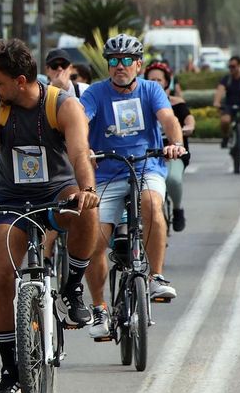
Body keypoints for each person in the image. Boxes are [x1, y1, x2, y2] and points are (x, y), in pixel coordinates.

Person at [0, 39, 101, 393]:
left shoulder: (62, 105)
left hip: (58, 193)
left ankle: (71, 289)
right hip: (10, 198)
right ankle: (10, 372)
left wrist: (86, 189)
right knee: (2, 274)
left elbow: (80, 152)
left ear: (21, 81)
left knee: (86, 211)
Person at [80, 35, 186, 338]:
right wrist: (82, 149)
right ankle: (99, 308)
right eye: (113, 60)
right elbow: (81, 123)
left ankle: (155, 277)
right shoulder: (95, 93)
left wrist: (174, 144)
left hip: (146, 166)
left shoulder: (152, 90)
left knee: (152, 204)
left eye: (126, 60)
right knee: (95, 240)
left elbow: (168, 119)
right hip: (106, 174)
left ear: (138, 64)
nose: (119, 66)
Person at [145, 61, 194, 231]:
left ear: (166, 82)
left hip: (174, 153)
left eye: (159, 80)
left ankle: (177, 209)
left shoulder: (175, 102)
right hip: (148, 154)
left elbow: (188, 119)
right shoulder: (142, 102)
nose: (156, 84)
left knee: (173, 179)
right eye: (152, 80)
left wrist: (188, 128)